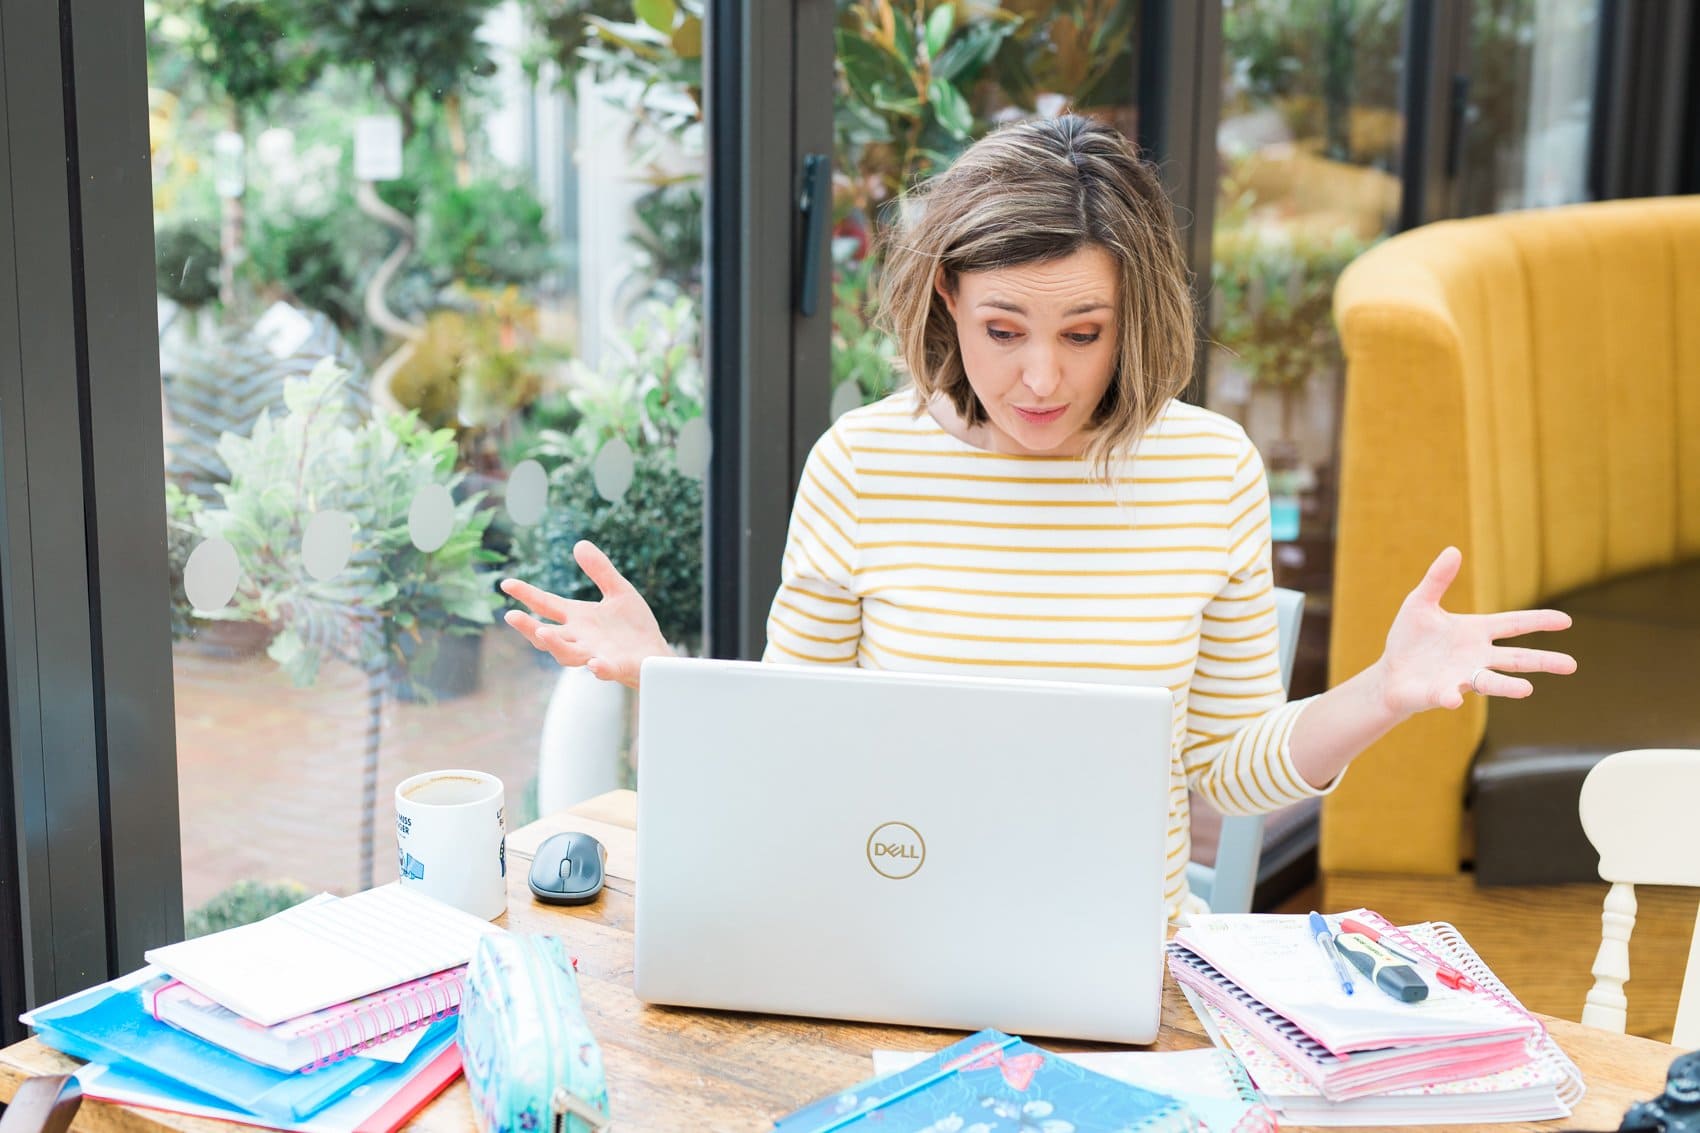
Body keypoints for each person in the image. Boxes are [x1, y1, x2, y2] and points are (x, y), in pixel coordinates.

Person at [500, 114, 1575, 918]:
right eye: (1002, 327)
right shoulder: (862, 463)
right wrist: (665, 675)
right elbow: (801, 741)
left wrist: (1378, 692)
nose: (1040, 378)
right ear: (945, 306)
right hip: (879, 919)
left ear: (1132, 319)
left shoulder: (1208, 469)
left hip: (1120, 946)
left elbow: (1228, 766)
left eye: (1083, 331)